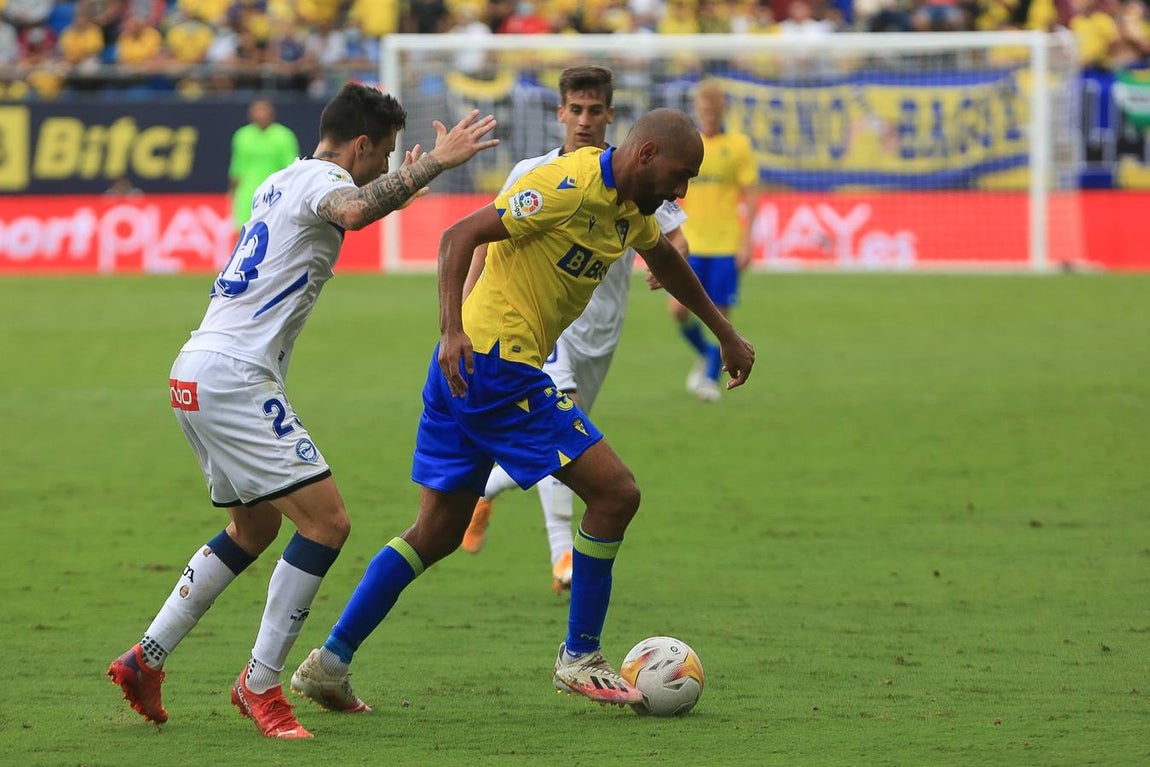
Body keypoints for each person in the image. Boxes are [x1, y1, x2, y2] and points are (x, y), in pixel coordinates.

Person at [289, 107, 754, 712]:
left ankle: (329, 662)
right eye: (680, 174)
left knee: (436, 531)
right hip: (494, 366)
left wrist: (724, 332)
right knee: (616, 494)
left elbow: (663, 257)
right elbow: (458, 236)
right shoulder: (567, 185)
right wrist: (452, 328)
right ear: (645, 155)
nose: (682, 189)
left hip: (466, 372)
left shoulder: (630, 208)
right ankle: (580, 655)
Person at [106, 82, 499, 739]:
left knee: (252, 529)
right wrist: (433, 162)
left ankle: (145, 657)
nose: (386, 167)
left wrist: (397, 183)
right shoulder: (322, 178)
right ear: (363, 145)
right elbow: (349, 208)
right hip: (235, 376)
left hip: (195, 370)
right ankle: (260, 684)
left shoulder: (282, 179)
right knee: (327, 524)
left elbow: (346, 204)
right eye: (386, 156)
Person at [457, 65, 690, 596]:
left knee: (564, 444)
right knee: (562, 442)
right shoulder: (533, 172)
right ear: (561, 113)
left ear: (610, 115)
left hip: (601, 331)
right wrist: (466, 310)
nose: (584, 120)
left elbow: (674, 242)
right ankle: (562, 553)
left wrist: (668, 261)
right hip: (536, 328)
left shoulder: (640, 181)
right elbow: (485, 242)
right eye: (575, 110)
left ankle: (484, 491)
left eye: (595, 111)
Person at [669, 78, 758, 402]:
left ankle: (709, 379)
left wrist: (746, 241)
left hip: (724, 243)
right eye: (703, 109)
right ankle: (707, 355)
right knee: (677, 311)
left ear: (723, 109)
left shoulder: (738, 146)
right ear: (697, 109)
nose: (708, 115)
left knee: (719, 318)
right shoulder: (689, 145)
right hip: (691, 241)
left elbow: (750, 195)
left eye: (713, 109)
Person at [227, 99, 301, 233]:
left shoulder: (284, 136)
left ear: (271, 114)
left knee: (274, 231)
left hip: (275, 194)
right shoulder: (242, 136)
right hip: (247, 193)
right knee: (244, 233)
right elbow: (237, 168)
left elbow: (291, 169)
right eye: (257, 111)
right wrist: (232, 194)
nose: (260, 115)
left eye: (264, 111)